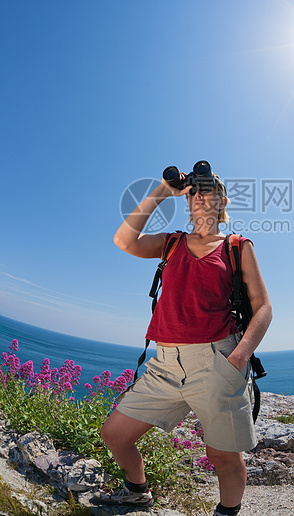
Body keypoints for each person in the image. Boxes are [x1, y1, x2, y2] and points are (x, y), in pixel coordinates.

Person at [97, 166, 272, 516]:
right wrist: (163, 190)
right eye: (193, 191)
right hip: (164, 363)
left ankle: (226, 512)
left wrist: (238, 358)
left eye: (208, 190)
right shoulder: (171, 243)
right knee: (115, 434)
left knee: (223, 456)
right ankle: (137, 491)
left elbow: (263, 307)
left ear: (222, 201)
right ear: (187, 202)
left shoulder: (237, 247)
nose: (200, 196)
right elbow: (124, 240)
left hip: (217, 360)